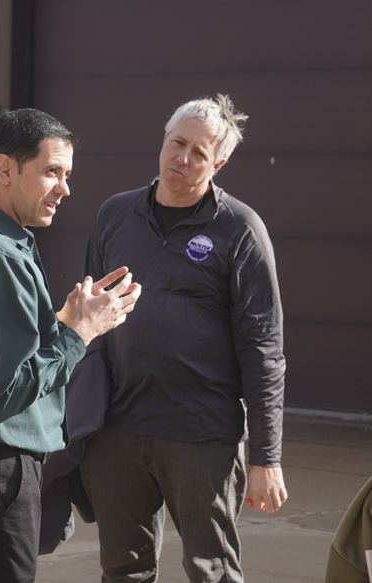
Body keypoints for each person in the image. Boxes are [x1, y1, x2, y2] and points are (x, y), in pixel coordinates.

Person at [0, 108, 142, 583]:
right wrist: (83, 333)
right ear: (4, 169)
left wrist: (63, 320)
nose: (65, 187)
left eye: (68, 174)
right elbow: (3, 393)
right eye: (52, 171)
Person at [79, 95, 287, 582]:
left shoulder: (241, 231)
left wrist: (267, 458)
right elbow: (85, 320)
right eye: (177, 143)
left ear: (219, 162)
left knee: (211, 571)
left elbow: (264, 352)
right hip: (118, 432)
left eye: (199, 152)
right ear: (163, 140)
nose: (183, 159)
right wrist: (78, 417)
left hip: (201, 438)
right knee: (122, 570)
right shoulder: (115, 215)